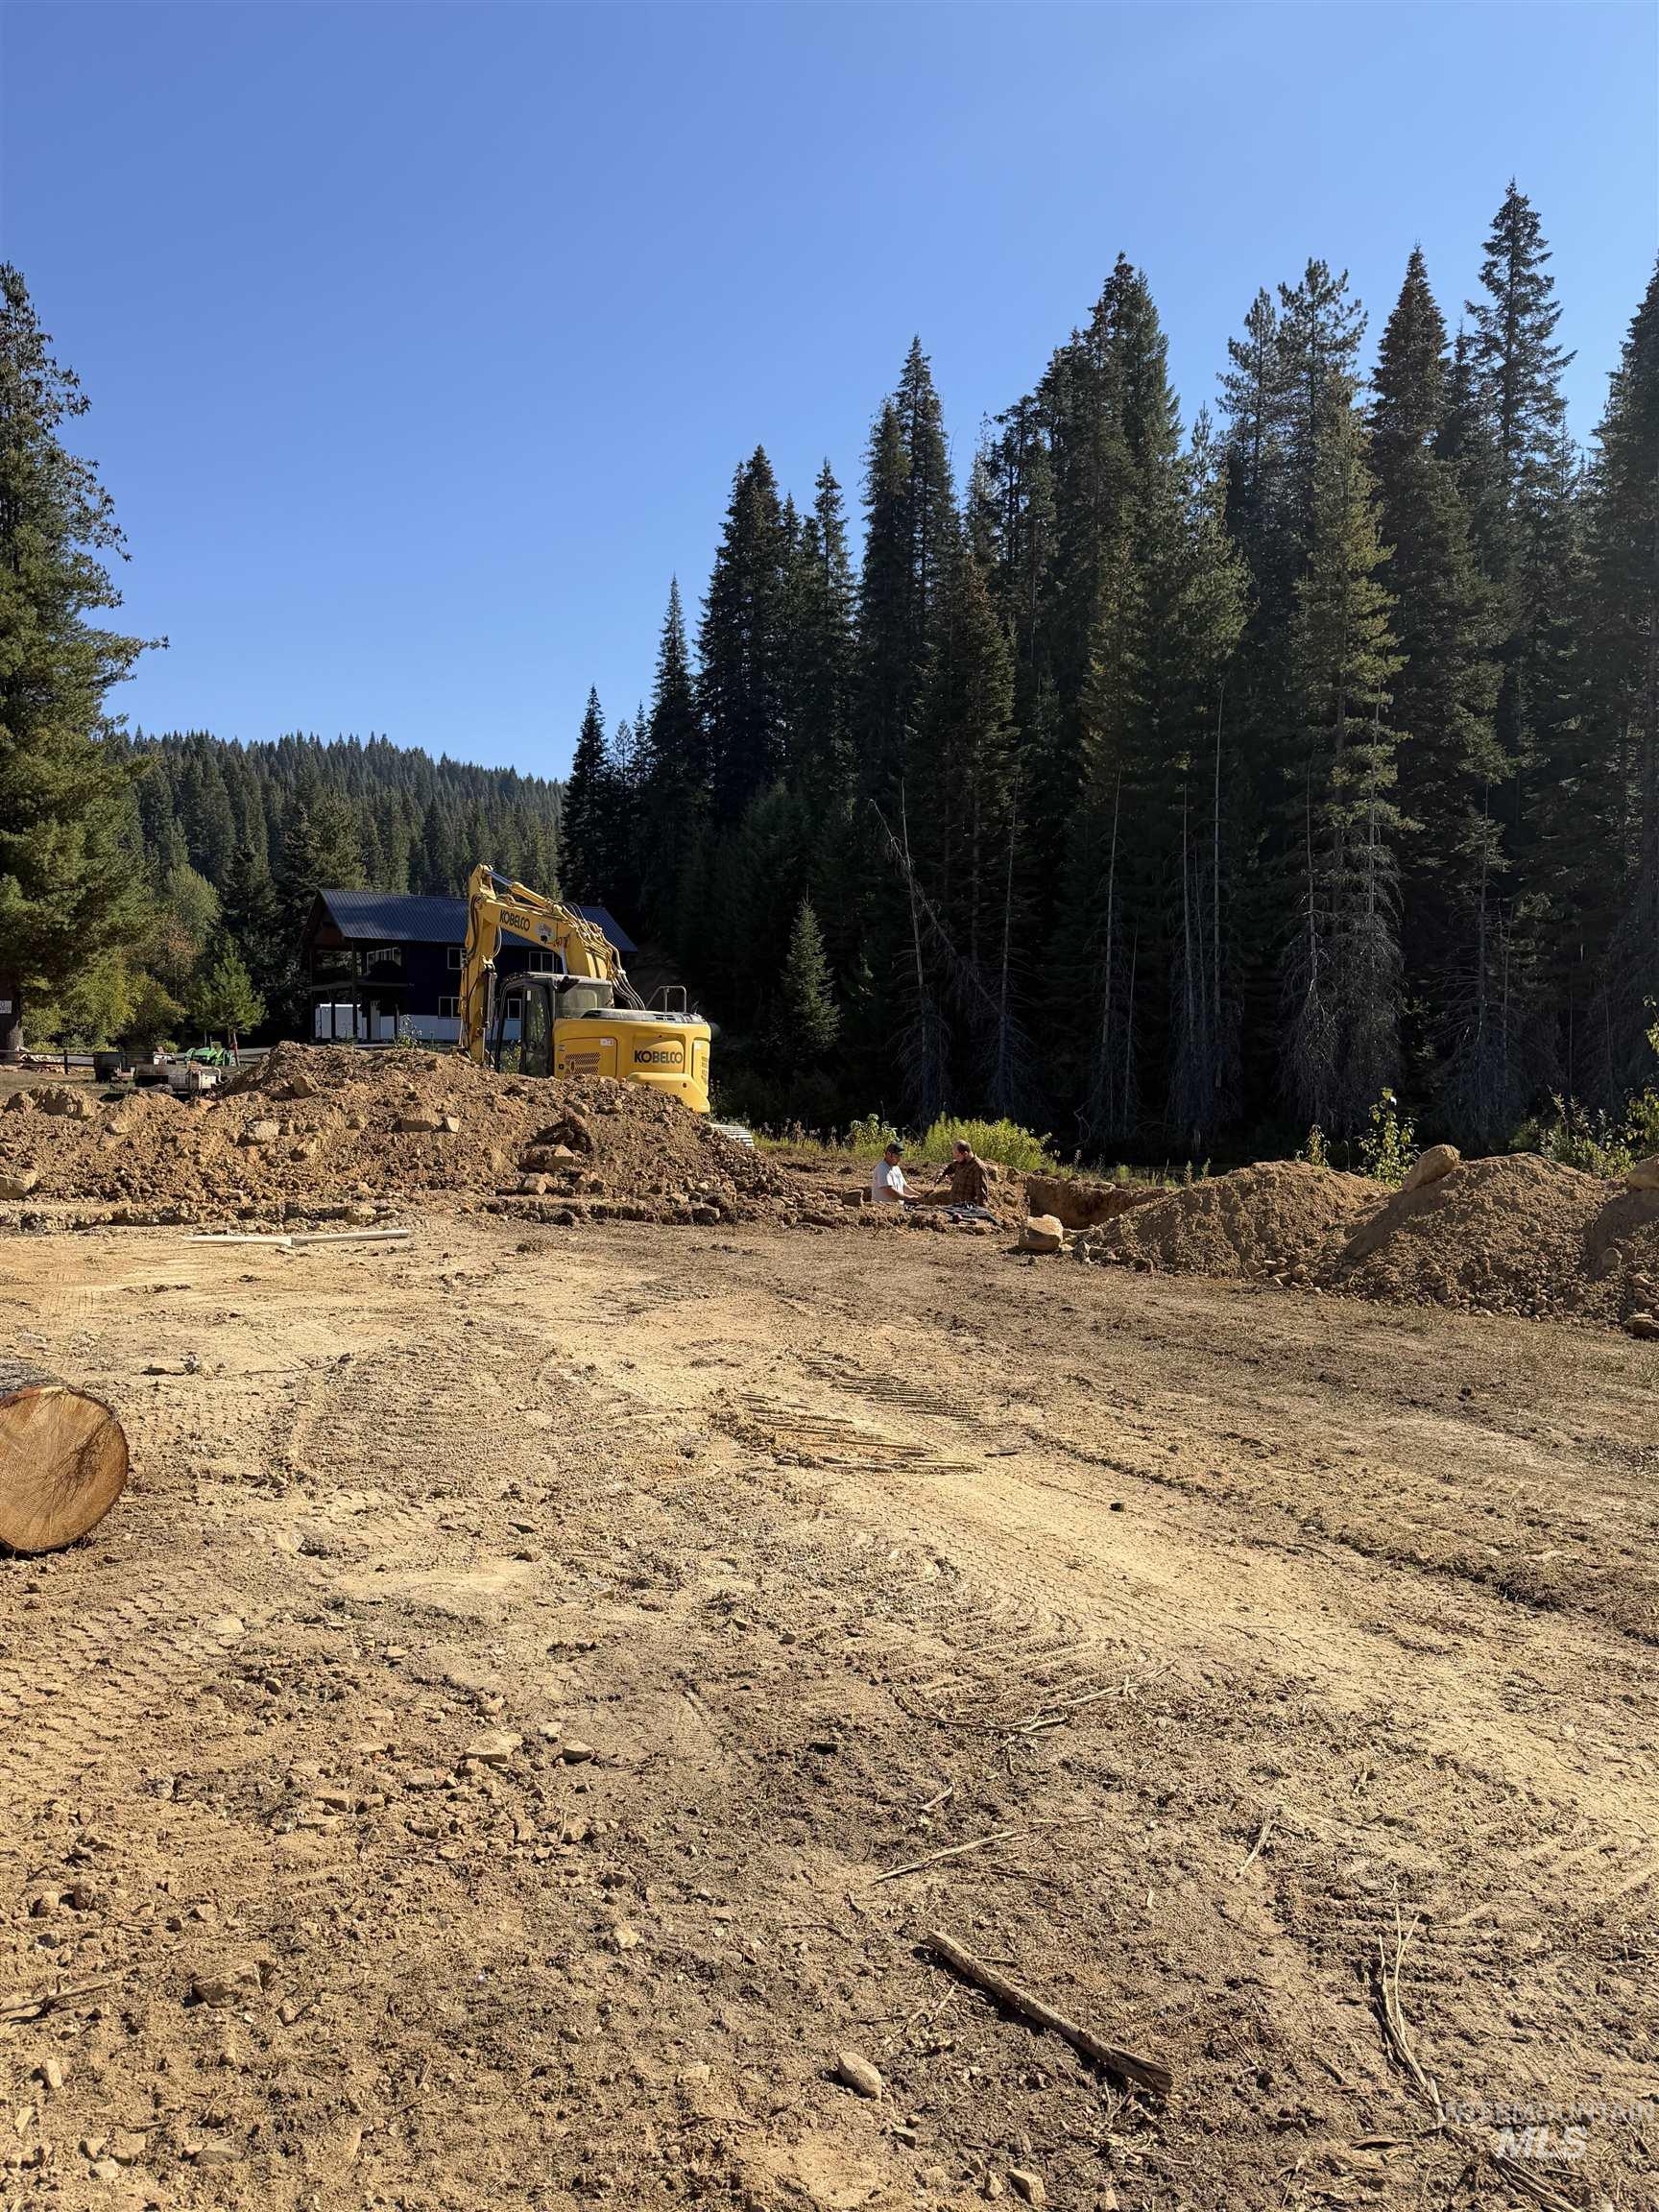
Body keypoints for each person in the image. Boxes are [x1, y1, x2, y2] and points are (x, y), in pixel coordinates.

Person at [916, 1137, 993, 1208]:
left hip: (962, 1205)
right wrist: (941, 1174)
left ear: (965, 1154)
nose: (956, 1159)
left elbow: (981, 1197)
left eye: (957, 1156)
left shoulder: (978, 1168)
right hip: (951, 1197)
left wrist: (978, 1211)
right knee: (930, 1197)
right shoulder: (961, 1162)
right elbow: (948, 1167)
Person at [872, 1140, 911, 1205]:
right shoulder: (882, 1169)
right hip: (884, 1210)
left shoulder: (896, 1167)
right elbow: (890, 1191)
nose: (899, 1159)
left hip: (898, 1208)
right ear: (888, 1154)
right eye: (897, 1156)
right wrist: (911, 1198)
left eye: (900, 1156)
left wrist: (920, 1196)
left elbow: (905, 1187)